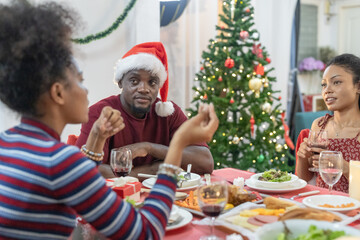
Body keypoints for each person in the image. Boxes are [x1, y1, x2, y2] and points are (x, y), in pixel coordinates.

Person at [0, 2, 219, 239]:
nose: (86, 90)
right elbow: (145, 231)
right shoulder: (61, 163)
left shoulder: (6, 143)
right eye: (80, 80)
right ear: (58, 93)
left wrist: (96, 139)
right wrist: (178, 146)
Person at [76, 42, 214, 178]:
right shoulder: (101, 113)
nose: (144, 89)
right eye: (134, 81)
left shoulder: (168, 112)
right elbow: (88, 171)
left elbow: (205, 162)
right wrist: (155, 169)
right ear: (120, 82)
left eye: (152, 82)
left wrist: (148, 148)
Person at [296, 53, 360, 193]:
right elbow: (304, 180)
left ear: (358, 87)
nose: (327, 90)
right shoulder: (319, 125)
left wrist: (343, 166)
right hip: (321, 205)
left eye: (336, 82)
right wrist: (303, 158)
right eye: (324, 84)